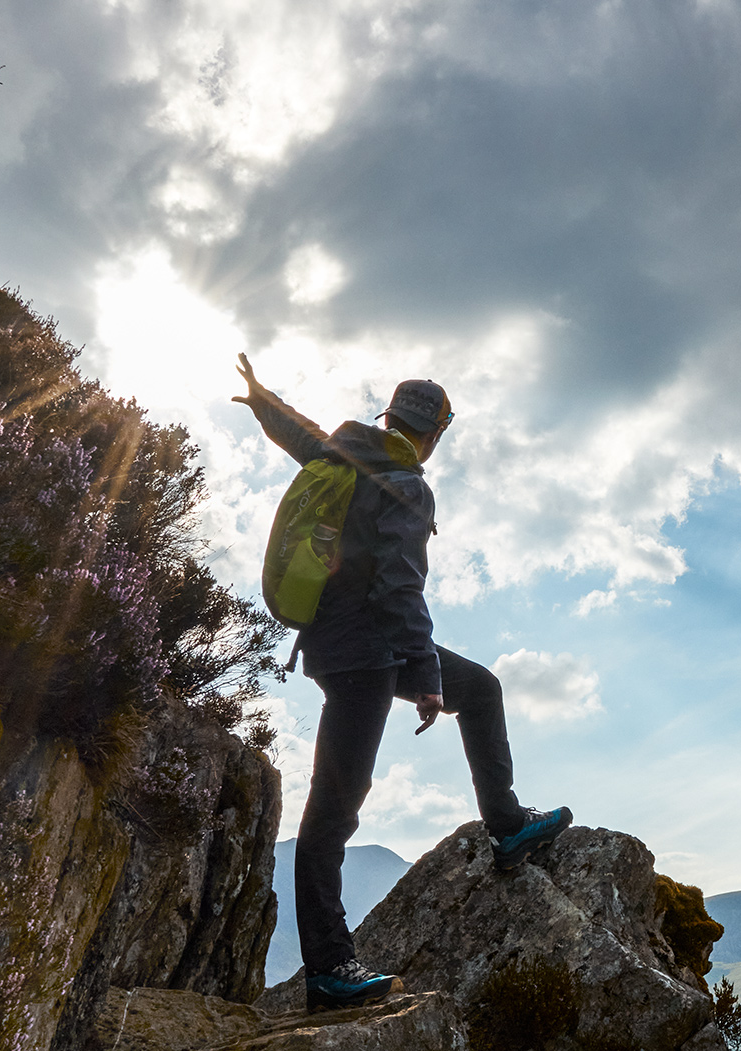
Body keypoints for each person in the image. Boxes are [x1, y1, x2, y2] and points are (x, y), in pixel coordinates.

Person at [236, 354, 571, 1010]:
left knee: (481, 689)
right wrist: (422, 674)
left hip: (336, 646)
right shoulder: (408, 486)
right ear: (435, 434)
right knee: (333, 811)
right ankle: (330, 970)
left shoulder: (348, 448)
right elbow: (398, 586)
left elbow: (302, 438)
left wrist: (262, 400)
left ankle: (506, 825)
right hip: (372, 654)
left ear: (390, 417)